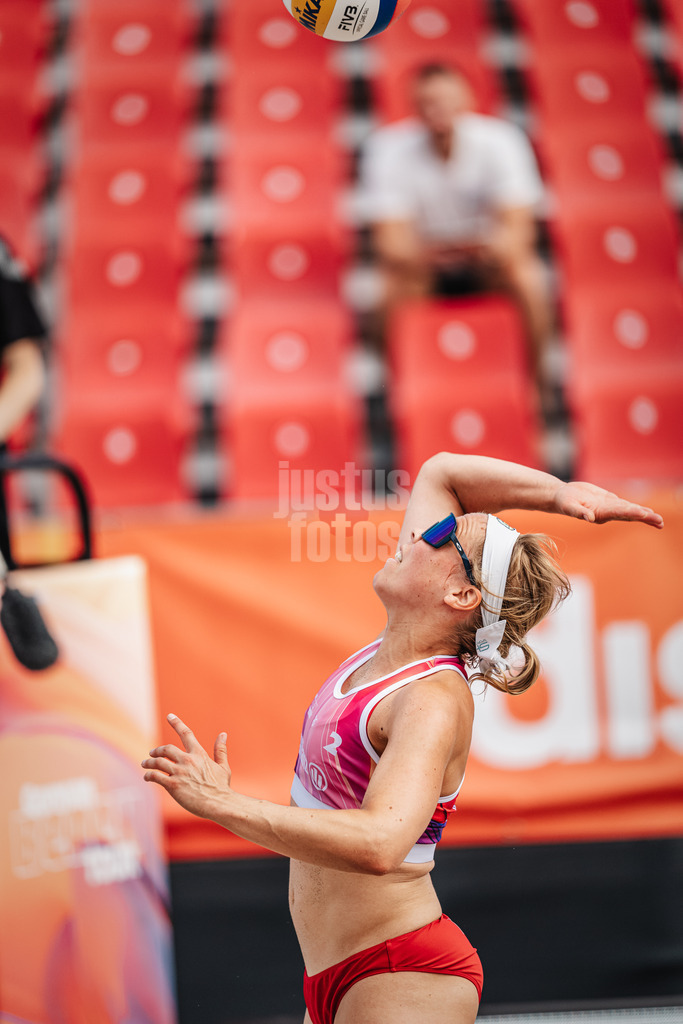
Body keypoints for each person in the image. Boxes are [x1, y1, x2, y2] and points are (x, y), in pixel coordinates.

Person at [141, 452, 663, 1024]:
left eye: (440, 534)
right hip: (335, 971)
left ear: (462, 597)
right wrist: (560, 494)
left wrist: (223, 804)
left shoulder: (431, 699)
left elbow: (380, 844)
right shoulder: (396, 649)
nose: (418, 535)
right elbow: (443, 472)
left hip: (402, 973)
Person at [360, 63, 553, 409]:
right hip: (425, 268)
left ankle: (535, 386)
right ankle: (399, 395)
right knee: (388, 291)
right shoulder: (388, 148)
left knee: (529, 279)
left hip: (484, 264)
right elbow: (391, 244)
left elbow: (516, 235)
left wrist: (474, 250)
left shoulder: (501, 141)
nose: (437, 109)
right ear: (414, 106)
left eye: (444, 99)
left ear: (467, 100)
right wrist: (452, 250)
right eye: (428, 101)